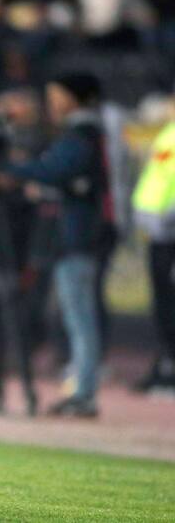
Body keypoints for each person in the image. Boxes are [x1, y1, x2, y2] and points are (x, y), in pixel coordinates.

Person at [0, 72, 111, 417]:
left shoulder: (82, 134)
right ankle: (82, 388)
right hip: (81, 236)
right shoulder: (89, 133)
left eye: (56, 95)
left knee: (80, 317)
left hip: (78, 239)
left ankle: (85, 392)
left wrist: (12, 167)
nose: (51, 103)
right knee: (78, 315)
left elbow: (54, 170)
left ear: (74, 97)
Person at [131, 120, 175, 393]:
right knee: (163, 304)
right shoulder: (168, 132)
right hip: (160, 235)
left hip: (170, 231)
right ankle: (167, 363)